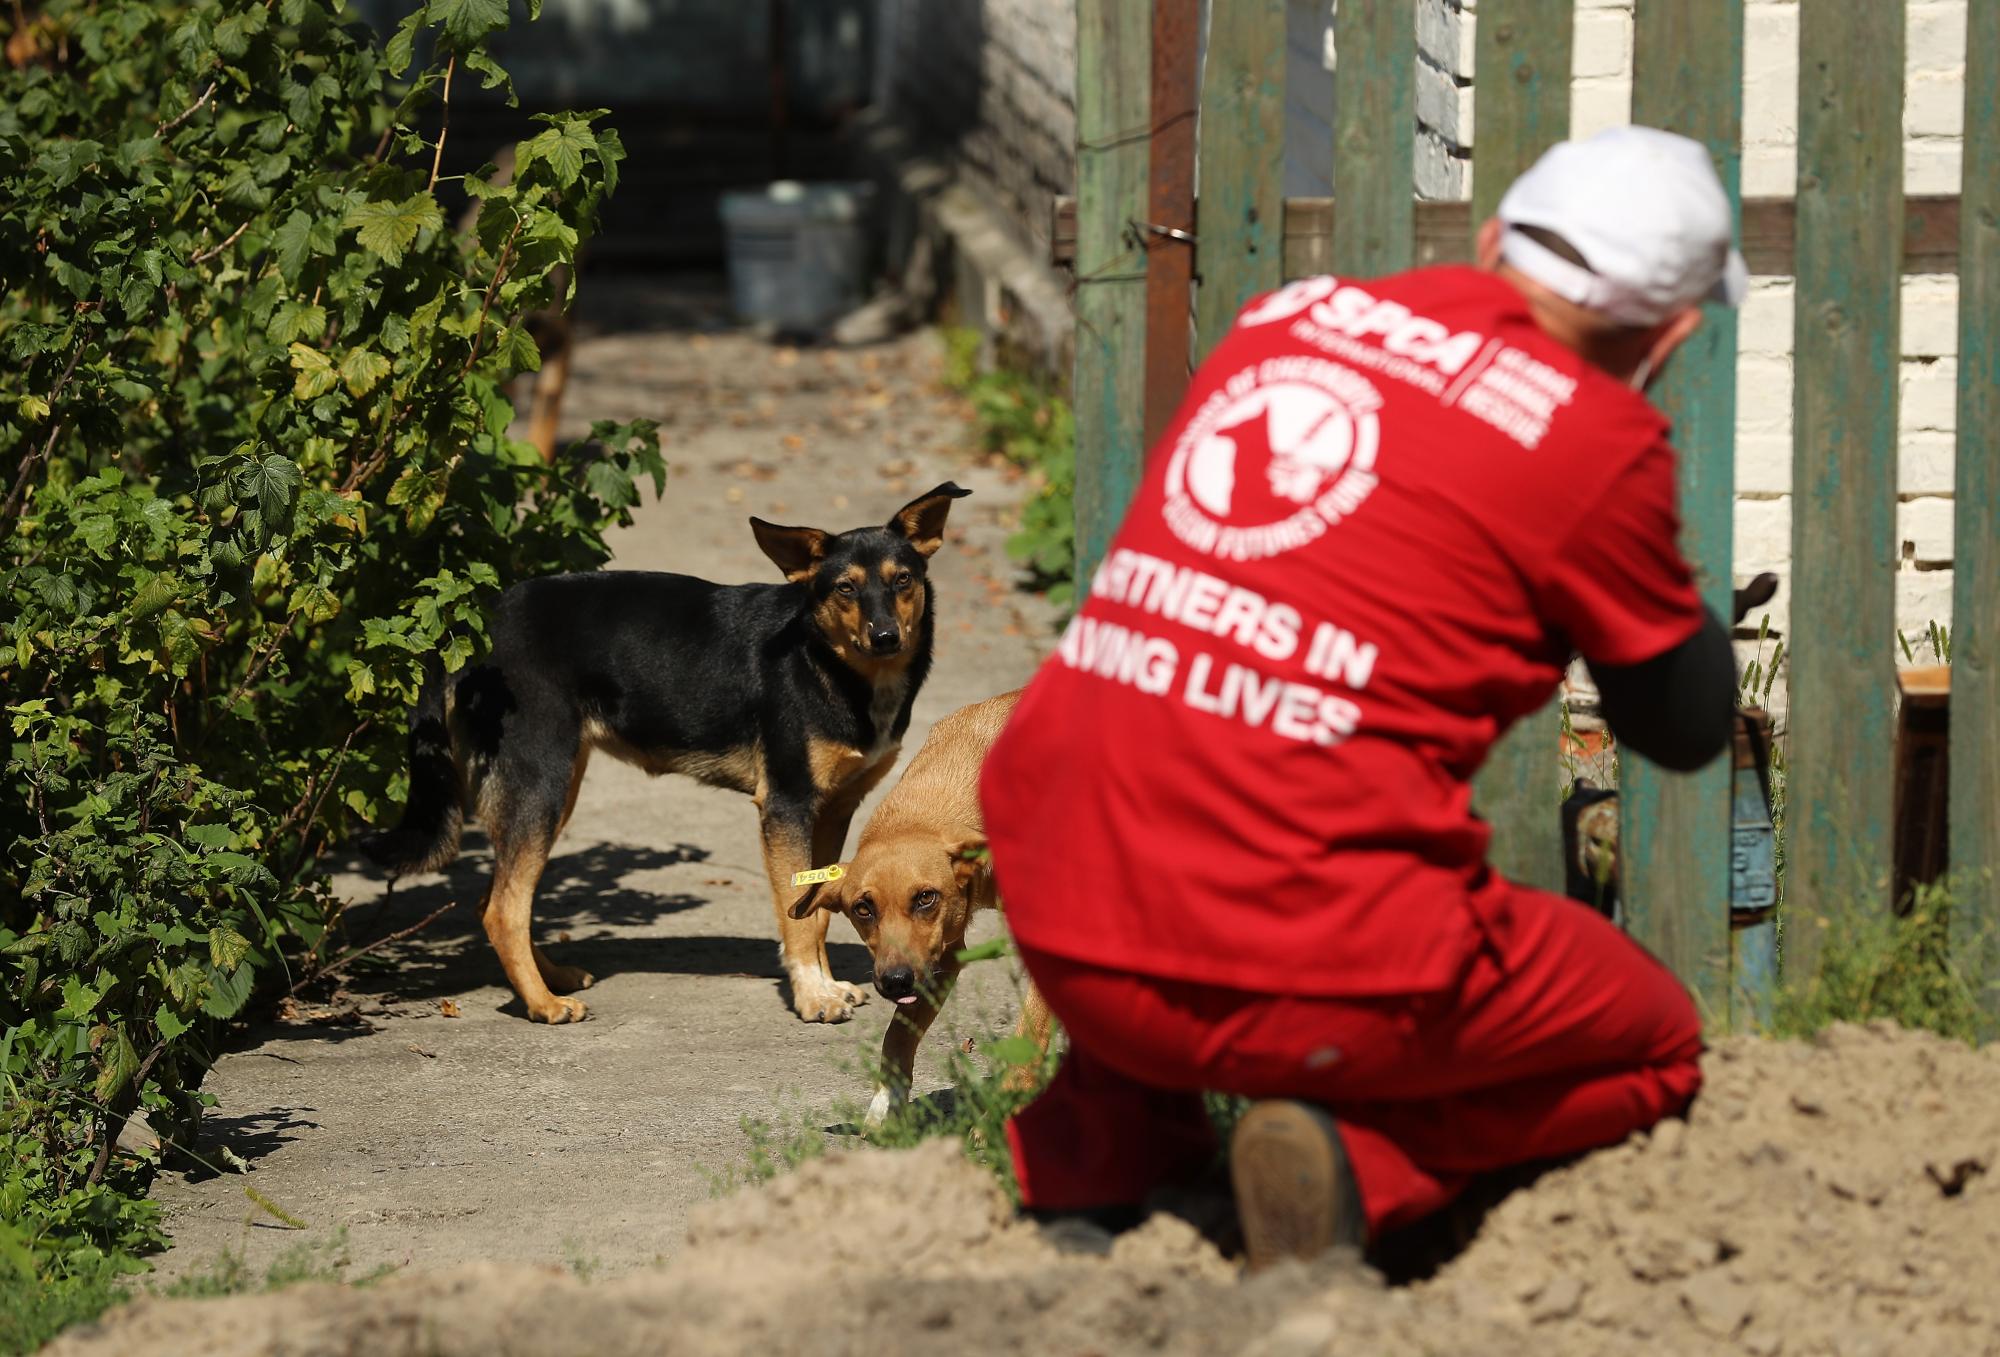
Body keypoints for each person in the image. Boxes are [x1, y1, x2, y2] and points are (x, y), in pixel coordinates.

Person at [978, 126, 1753, 1265]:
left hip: (1051, 885)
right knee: (1654, 1042)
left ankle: (1100, 1179)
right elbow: (1679, 727)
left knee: (1180, 764)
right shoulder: (1594, 441)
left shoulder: (1291, 318)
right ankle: (1359, 1171)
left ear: (1492, 239)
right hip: (1295, 961)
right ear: (1674, 331)